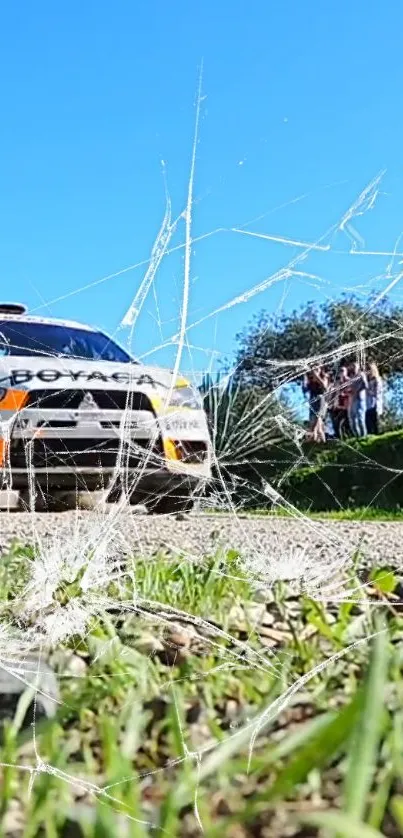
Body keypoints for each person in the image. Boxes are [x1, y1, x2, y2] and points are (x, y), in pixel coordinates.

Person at [303, 366, 329, 443]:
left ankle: (311, 442)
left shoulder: (324, 377)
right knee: (318, 426)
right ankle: (321, 444)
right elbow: (305, 389)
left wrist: (316, 376)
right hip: (312, 401)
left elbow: (325, 387)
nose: (315, 371)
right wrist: (305, 377)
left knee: (315, 424)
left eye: (317, 369)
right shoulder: (310, 380)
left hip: (320, 401)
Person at [330, 365, 351, 439]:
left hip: (347, 405)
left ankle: (349, 438)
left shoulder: (349, 381)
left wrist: (344, 393)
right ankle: (340, 439)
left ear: (346, 372)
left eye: (343, 370)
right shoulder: (337, 383)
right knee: (336, 424)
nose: (341, 372)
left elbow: (351, 391)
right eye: (340, 371)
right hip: (338, 406)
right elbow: (334, 394)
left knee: (346, 423)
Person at [348, 361, 368, 437]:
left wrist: (357, 391)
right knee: (352, 420)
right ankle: (357, 437)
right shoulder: (351, 378)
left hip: (360, 399)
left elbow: (365, 385)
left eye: (354, 366)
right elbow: (351, 388)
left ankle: (364, 436)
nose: (353, 368)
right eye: (352, 366)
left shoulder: (361, 375)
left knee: (360, 418)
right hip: (352, 400)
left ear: (358, 367)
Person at [366, 362, 383, 435]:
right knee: (368, 423)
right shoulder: (367, 381)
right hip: (368, 404)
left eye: (369, 370)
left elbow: (377, 392)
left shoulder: (377, 379)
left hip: (375, 403)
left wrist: (368, 391)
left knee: (375, 422)